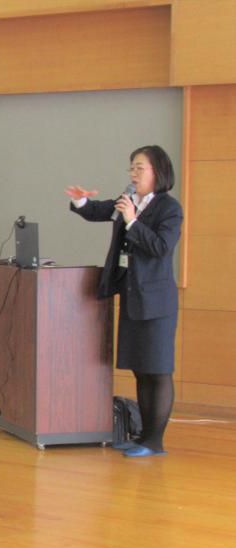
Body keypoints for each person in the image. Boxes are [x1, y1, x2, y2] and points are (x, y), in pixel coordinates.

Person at [66, 144, 183, 458]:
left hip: (157, 301)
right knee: (141, 369)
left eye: (139, 168)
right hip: (132, 295)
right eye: (132, 167)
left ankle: (155, 442)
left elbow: (160, 247)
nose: (133, 173)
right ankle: (144, 436)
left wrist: (132, 221)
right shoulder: (129, 200)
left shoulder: (169, 208)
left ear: (158, 172)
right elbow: (101, 211)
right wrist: (81, 200)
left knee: (157, 370)